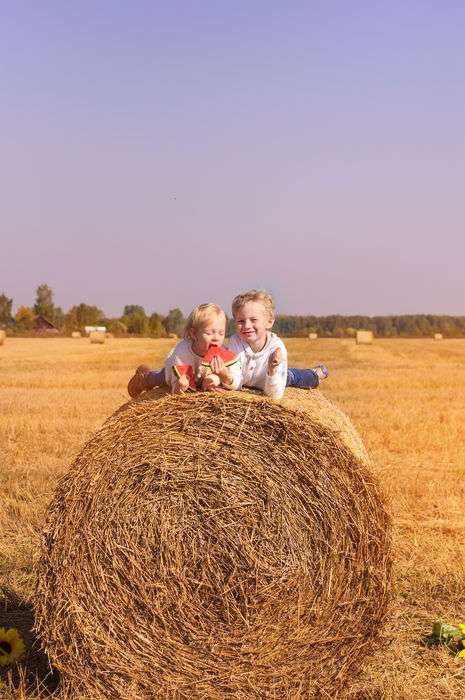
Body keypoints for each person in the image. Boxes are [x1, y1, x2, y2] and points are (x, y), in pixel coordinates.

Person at [228, 289, 328, 400]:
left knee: (291, 377)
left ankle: (313, 374)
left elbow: (274, 395)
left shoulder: (277, 348)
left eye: (253, 320)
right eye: (241, 321)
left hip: (270, 379)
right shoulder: (234, 342)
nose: (247, 325)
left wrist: (272, 370)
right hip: (251, 378)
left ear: (269, 322)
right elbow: (234, 376)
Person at [128, 303, 241, 397]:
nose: (216, 338)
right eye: (209, 333)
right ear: (194, 333)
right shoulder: (182, 354)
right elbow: (176, 390)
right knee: (159, 378)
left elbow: (235, 380)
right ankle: (143, 377)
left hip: (199, 377)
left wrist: (221, 377)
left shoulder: (223, 353)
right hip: (173, 373)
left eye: (221, 333)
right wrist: (179, 387)